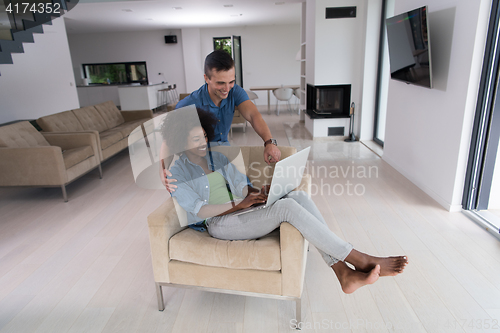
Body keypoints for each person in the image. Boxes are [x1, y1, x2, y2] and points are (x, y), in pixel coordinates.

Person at [161, 108, 408, 294]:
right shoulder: (177, 174)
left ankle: (343, 272)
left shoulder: (218, 158)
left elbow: (241, 186)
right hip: (218, 223)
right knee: (287, 207)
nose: (204, 142)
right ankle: (358, 259)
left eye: (204, 136)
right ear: (181, 142)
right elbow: (201, 210)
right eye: (196, 140)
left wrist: (258, 194)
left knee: (297, 195)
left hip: (241, 211)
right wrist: (240, 204)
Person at [160, 50, 281, 192]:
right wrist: (162, 170)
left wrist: (269, 142)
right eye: (221, 83)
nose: (227, 88)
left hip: (223, 150)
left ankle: (249, 196)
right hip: (199, 155)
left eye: (231, 81)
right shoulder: (189, 104)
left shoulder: (235, 91)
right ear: (206, 78)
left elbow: (254, 116)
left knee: (239, 182)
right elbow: (169, 140)